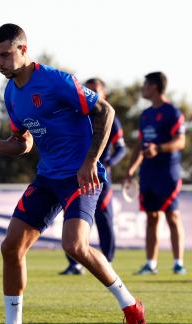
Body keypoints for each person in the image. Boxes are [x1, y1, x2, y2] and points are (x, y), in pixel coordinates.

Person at [0, 23, 147, 324]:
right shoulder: (12, 93)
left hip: (80, 176)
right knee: (11, 247)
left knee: (74, 246)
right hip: (48, 177)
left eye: (5, 55)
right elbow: (24, 142)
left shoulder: (55, 80)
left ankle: (130, 306)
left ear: (24, 50)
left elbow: (106, 111)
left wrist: (89, 161)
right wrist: (2, 146)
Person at [60, 78, 126, 275]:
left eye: (96, 90)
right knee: (72, 216)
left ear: (104, 94)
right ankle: (75, 264)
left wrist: (109, 163)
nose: (91, 93)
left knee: (104, 218)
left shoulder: (109, 117)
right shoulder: (78, 115)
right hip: (75, 174)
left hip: (99, 175)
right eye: (88, 90)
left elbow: (121, 148)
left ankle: (108, 261)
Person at [124, 71, 187, 275]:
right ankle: (151, 264)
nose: (142, 88)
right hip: (148, 174)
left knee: (172, 216)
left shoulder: (173, 113)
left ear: (154, 87)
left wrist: (158, 149)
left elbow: (181, 141)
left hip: (168, 173)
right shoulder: (146, 115)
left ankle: (178, 263)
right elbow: (141, 145)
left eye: (145, 85)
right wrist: (131, 170)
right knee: (151, 218)